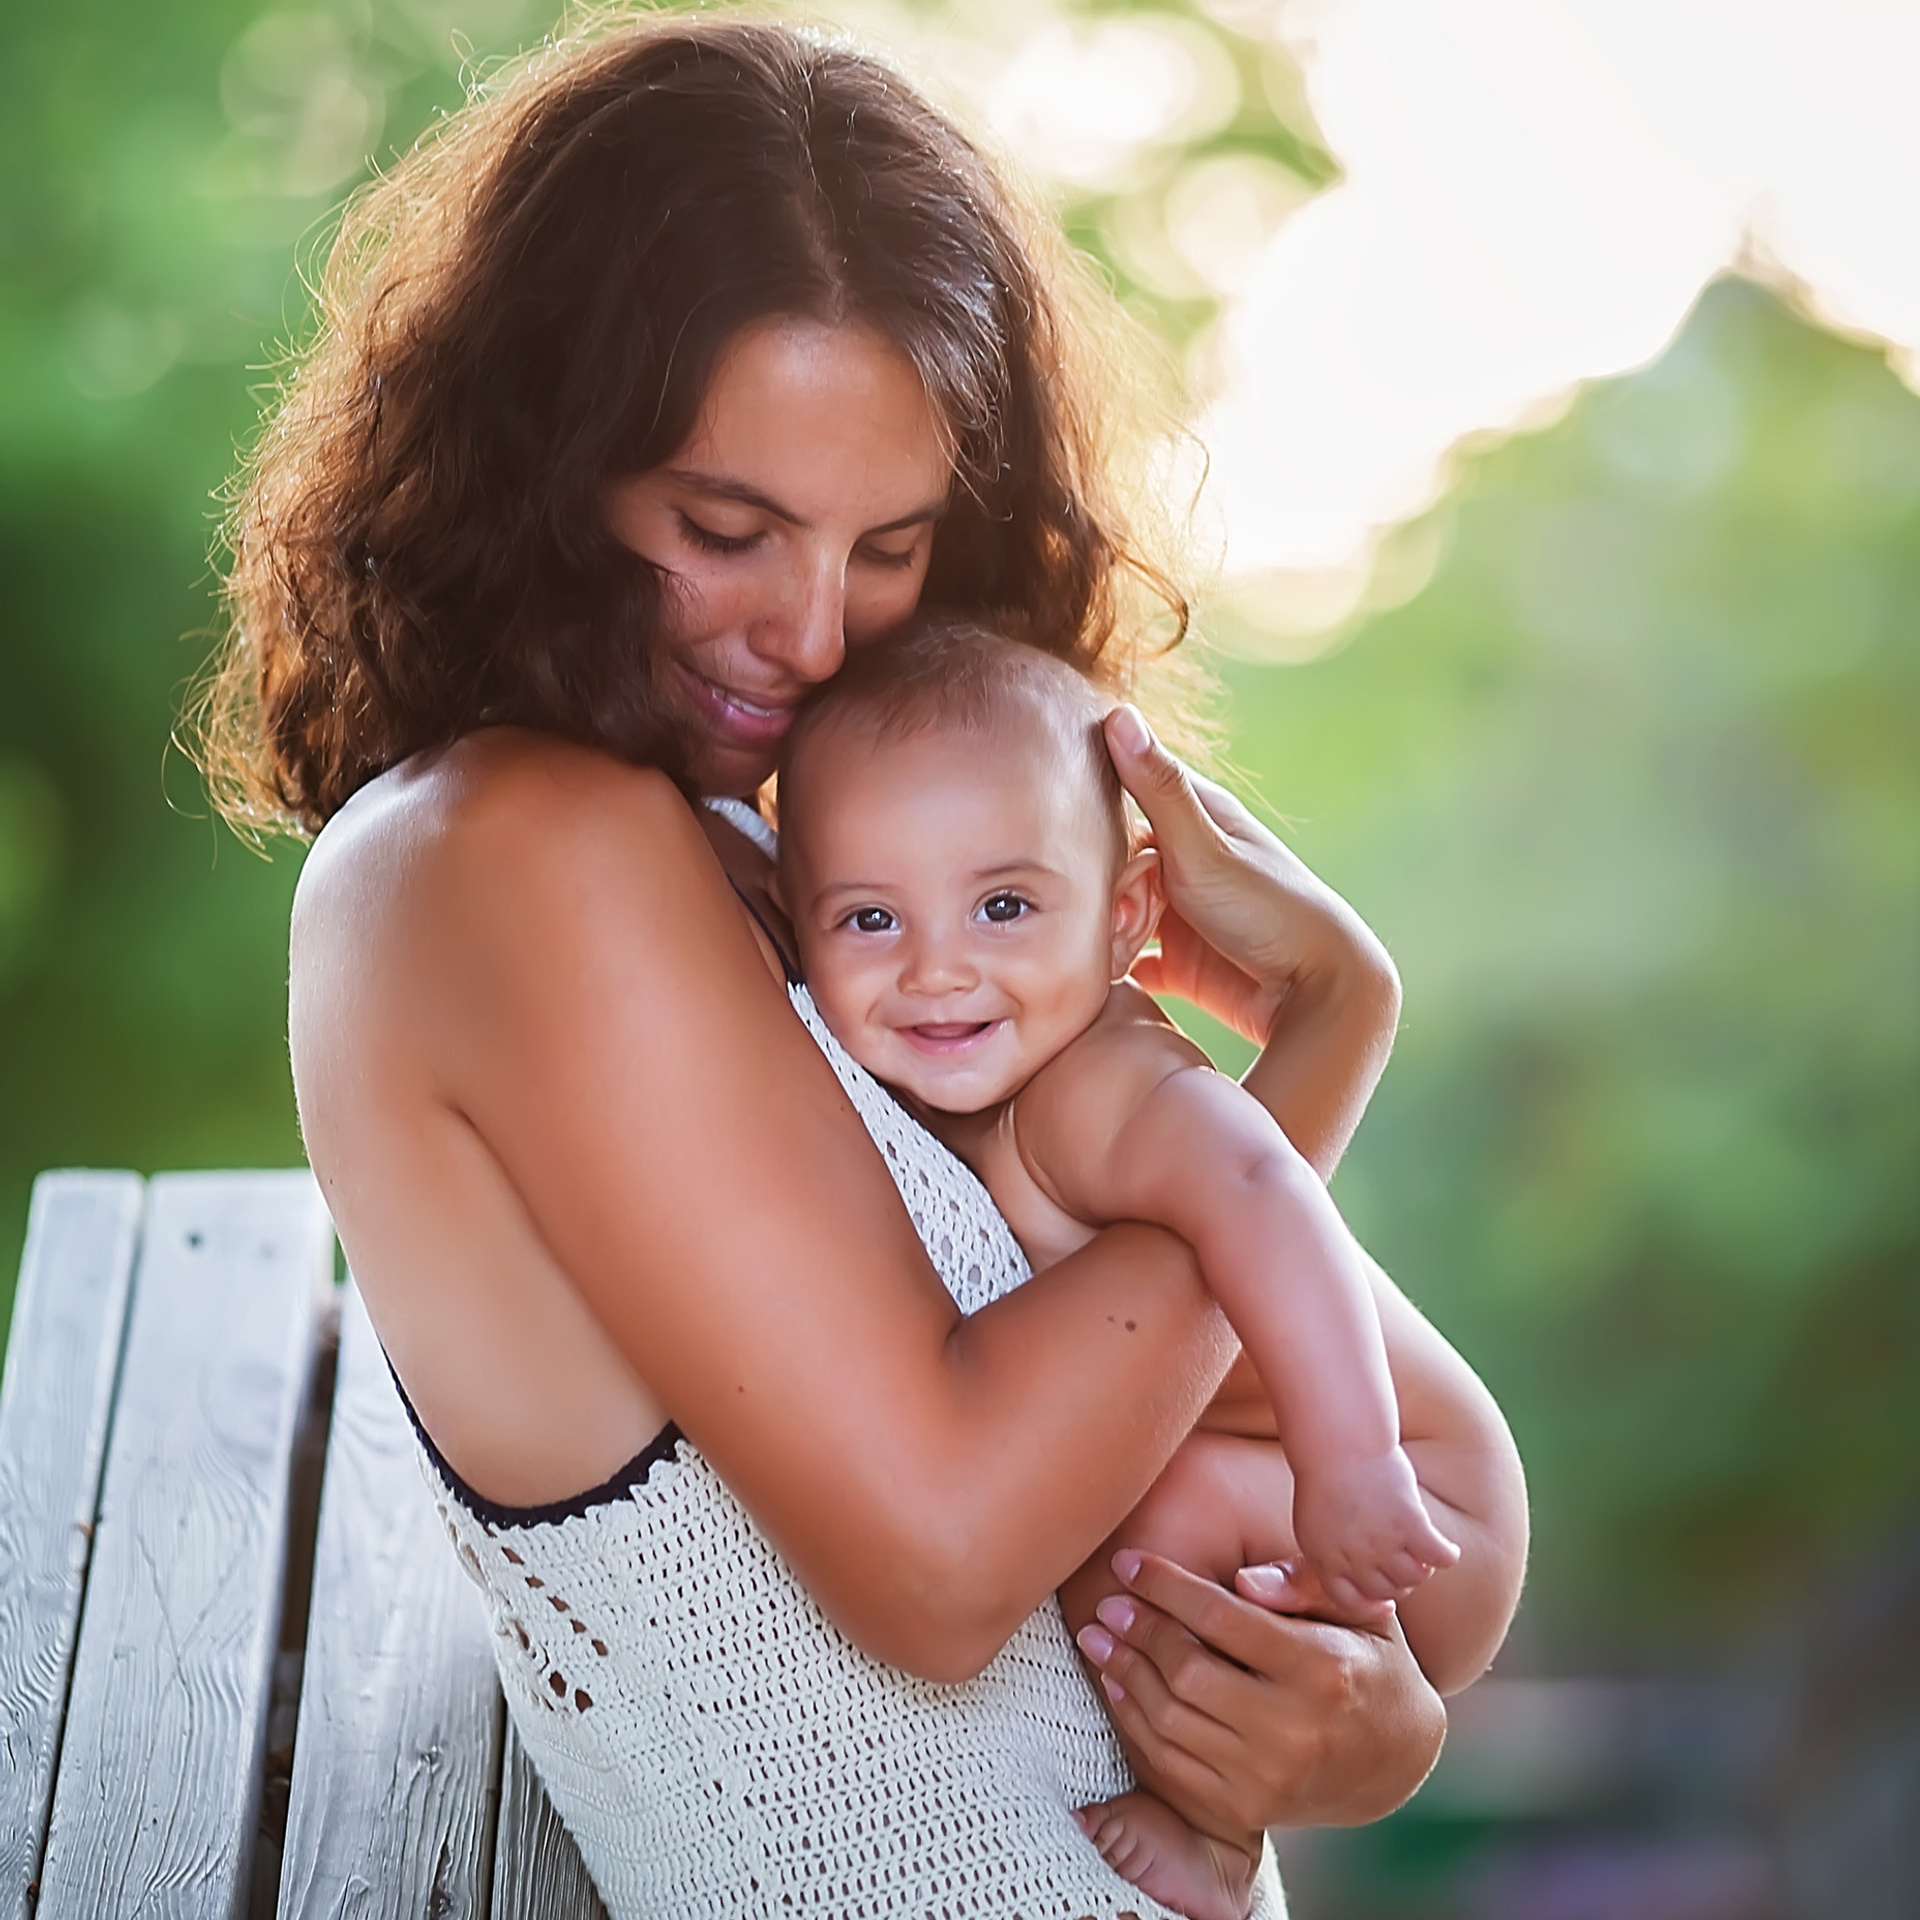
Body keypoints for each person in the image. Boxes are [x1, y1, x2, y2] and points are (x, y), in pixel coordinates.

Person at [202, 14, 1528, 1918]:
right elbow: (942, 1560)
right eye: (722, 529)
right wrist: (1320, 1048)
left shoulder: (774, 861)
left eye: (890, 547)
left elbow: (1209, 1444)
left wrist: (1361, 1724)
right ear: (543, 466)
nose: (808, 634)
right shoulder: (506, 852)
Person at [775, 615, 1494, 1918]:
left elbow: (1272, 1192)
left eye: (1004, 905)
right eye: (872, 917)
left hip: (1409, 1494)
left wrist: (1349, 1462)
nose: (939, 968)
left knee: (1147, 1529)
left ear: (1125, 923)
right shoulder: (954, 1084)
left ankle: (1214, 1837)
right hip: (1315, 1475)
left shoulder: (1102, 1084)